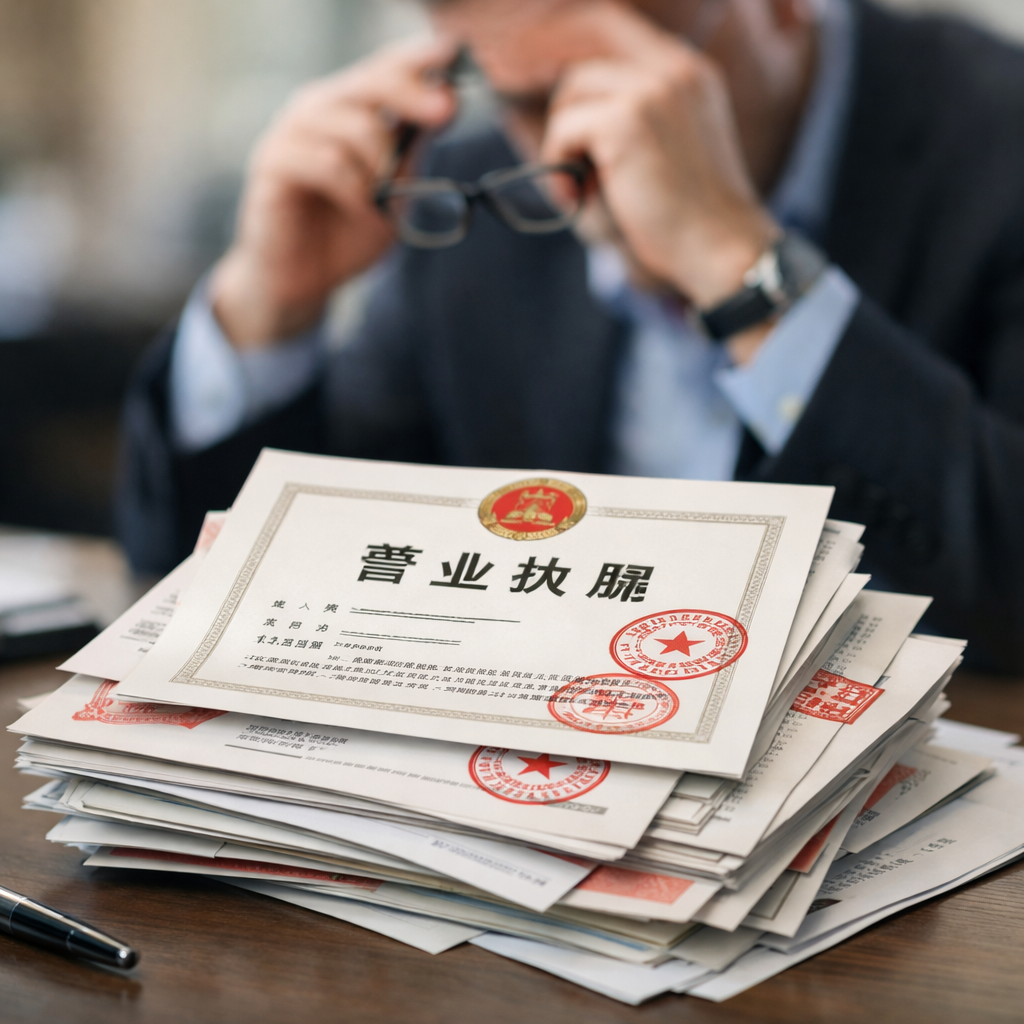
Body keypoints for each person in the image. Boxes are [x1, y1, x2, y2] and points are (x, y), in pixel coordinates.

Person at [118, 0, 1024, 672]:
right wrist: (271, 308)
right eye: (518, 96)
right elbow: (205, 597)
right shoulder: (476, 194)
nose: (567, 160)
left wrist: (739, 263)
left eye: (611, 87)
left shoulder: (995, 139)